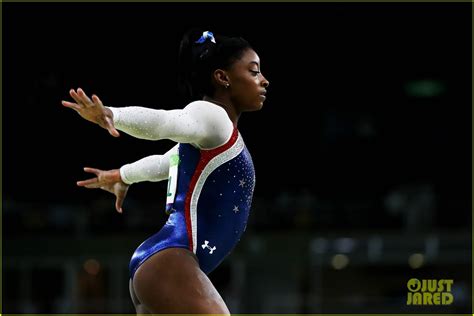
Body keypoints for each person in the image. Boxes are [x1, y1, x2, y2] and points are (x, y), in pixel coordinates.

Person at [62, 29, 269, 314]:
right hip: (171, 262)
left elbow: (165, 162)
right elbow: (165, 122)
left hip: (159, 264)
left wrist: (123, 175)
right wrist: (113, 115)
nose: (264, 80)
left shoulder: (215, 138)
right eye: (254, 71)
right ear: (223, 78)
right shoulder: (213, 116)